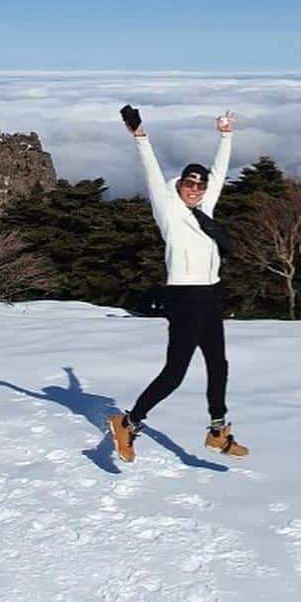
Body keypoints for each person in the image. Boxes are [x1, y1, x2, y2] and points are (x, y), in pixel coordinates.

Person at [108, 109, 249, 463]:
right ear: (180, 184)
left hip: (211, 293)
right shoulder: (168, 208)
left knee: (219, 365)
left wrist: (226, 135)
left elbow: (219, 174)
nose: (196, 190)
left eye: (200, 186)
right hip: (184, 296)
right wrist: (140, 136)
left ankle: (219, 431)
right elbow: (153, 173)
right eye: (190, 184)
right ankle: (128, 423)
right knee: (175, 373)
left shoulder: (206, 208)